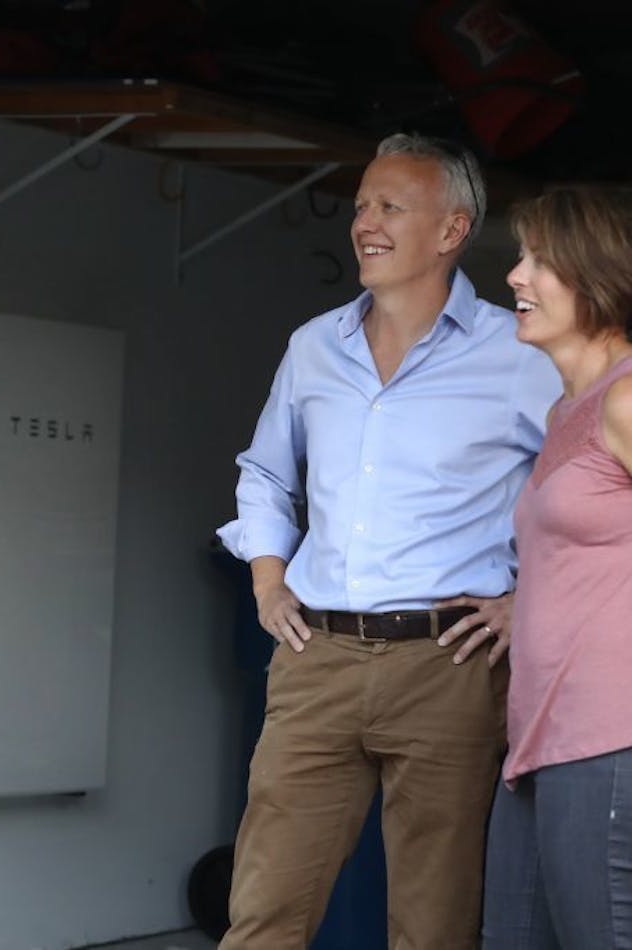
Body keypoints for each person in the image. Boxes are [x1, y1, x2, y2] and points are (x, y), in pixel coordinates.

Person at [214, 133, 561, 948]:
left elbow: (588, 495)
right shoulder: (313, 347)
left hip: (451, 665)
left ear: (452, 231)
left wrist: (525, 604)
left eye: (390, 207)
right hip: (316, 660)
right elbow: (265, 474)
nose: (364, 222)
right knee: (264, 911)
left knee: (435, 923)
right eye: (362, 205)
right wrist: (268, 582)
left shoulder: (519, 354)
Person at [482, 185, 632, 948]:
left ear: (596, 273)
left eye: (537, 259)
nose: (514, 276)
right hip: (539, 739)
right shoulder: (562, 414)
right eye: (519, 256)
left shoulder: (627, 400)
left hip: (610, 738)